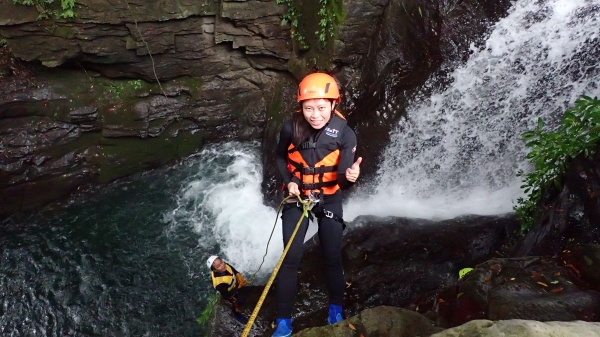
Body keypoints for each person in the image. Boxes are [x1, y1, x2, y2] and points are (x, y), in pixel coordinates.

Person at [271, 72, 362, 337]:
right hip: (297, 196)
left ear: (334, 105)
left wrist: (351, 178)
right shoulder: (291, 128)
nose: (315, 115)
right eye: (308, 108)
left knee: (332, 257)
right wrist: (289, 182)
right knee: (290, 258)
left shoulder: (345, 133)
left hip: (329, 196)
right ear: (300, 106)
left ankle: (335, 307)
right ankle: (283, 320)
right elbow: (279, 157)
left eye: (322, 108)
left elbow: (343, 179)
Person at [207, 255, 248, 323]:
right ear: (215, 270)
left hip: (234, 286)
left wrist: (237, 274)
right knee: (234, 304)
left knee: (238, 297)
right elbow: (226, 296)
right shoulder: (220, 283)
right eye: (218, 266)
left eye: (221, 262)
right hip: (230, 293)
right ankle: (237, 315)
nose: (222, 265)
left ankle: (239, 299)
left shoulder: (224, 265)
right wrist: (239, 287)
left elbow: (231, 268)